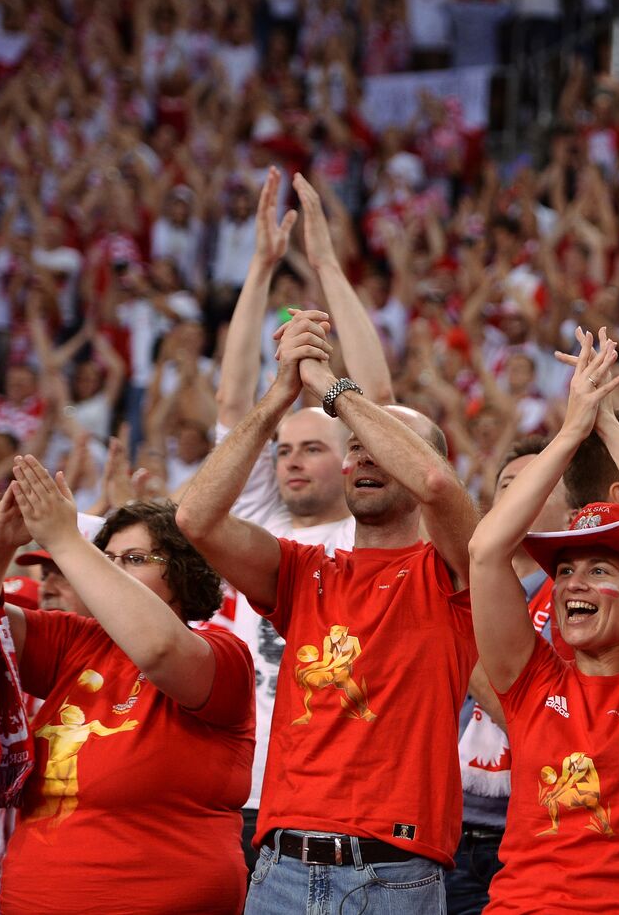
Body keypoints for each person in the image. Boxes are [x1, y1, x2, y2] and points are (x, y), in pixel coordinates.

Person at [176, 308, 480, 914]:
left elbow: (437, 484)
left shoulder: (455, 571)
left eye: (382, 450)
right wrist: (278, 397)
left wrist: (334, 390)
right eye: (357, 450)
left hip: (395, 876)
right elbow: (194, 518)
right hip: (279, 868)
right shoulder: (304, 569)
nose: (365, 459)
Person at [0, 462, 254, 915]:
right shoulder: (78, 641)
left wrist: (67, 540)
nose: (111, 571)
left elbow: (158, 650)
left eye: (133, 559)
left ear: (185, 572)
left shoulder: (224, 654)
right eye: (106, 559)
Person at [210, 167, 395, 863]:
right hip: (242, 786)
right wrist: (258, 271)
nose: (290, 460)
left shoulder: (370, 524)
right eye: (284, 449)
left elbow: (375, 394)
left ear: (352, 456)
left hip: (335, 786)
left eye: (312, 446)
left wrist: (324, 264)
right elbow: (235, 413)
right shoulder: (260, 519)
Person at [469, 328, 619, 913]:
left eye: (600, 568)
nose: (574, 585)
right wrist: (572, 430)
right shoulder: (532, 681)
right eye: (565, 570)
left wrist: (611, 427)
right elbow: (487, 552)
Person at [447, 434, 568, 915]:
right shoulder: (459, 588)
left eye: (532, 485)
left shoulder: (583, 602)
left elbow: (557, 724)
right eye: (505, 486)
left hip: (531, 833)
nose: (515, 496)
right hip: (448, 831)